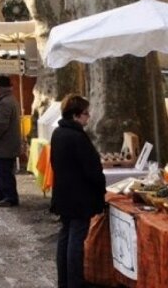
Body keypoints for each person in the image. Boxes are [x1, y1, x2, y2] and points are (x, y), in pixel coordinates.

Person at [49, 95, 106, 288]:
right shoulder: (77, 136)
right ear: (75, 115)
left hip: (64, 194)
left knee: (65, 236)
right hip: (79, 197)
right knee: (75, 240)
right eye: (85, 114)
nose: (88, 117)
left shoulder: (58, 133)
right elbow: (92, 169)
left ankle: (63, 281)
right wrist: (100, 188)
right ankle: (74, 281)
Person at [0, 74, 23, 208]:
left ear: (1, 88)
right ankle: (0, 194)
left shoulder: (6, 102)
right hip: (4, 144)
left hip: (5, 144)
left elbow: (2, 124)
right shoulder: (6, 100)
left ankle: (10, 197)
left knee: (4, 171)